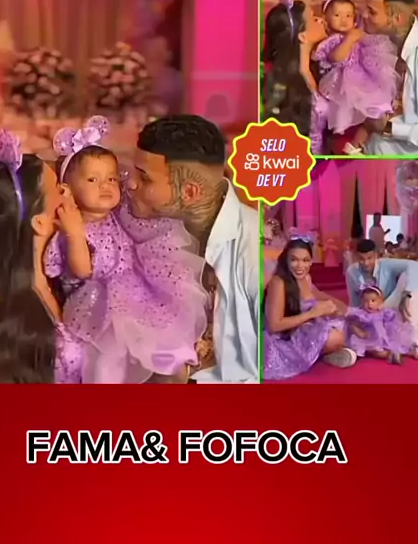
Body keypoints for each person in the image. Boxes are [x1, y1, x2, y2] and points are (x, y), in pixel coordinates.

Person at [44, 116, 207, 384]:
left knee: (160, 322)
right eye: (93, 179)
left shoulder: (118, 215)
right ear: (67, 189)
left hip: (132, 289)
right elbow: (83, 270)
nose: (106, 186)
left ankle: (177, 361)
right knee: (109, 358)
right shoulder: (72, 228)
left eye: (111, 178)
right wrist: (74, 234)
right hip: (97, 302)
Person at [128, 114, 259, 383]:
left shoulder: (250, 247)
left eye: (145, 178)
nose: (130, 183)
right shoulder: (134, 228)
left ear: (189, 193)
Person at [0, 130, 85, 383]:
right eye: (58, 189)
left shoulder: (62, 276)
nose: (67, 191)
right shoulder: (4, 315)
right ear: (40, 222)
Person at [312, 0, 398, 154]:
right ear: (326, 19)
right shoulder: (333, 40)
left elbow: (372, 44)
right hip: (342, 80)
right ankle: (348, 144)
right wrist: (350, 39)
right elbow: (336, 58)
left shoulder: (356, 32)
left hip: (362, 75)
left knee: (376, 103)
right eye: (337, 15)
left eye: (348, 15)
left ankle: (358, 142)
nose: (344, 20)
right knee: (349, 111)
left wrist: (360, 37)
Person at [263, 238, 355, 381]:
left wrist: (339, 305)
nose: (300, 266)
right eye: (294, 260)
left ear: (311, 261)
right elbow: (274, 326)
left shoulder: (306, 278)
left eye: (305, 260)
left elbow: (316, 294)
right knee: (335, 338)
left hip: (303, 326)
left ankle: (325, 354)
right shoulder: (279, 282)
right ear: (286, 260)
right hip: (284, 338)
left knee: (347, 323)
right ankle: (324, 355)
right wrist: (312, 313)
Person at [262, 0, 329, 153]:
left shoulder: (322, 66)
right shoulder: (283, 84)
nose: (321, 20)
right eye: (313, 19)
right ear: (302, 36)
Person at [362, 0, 418, 155]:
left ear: (397, 18)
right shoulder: (380, 45)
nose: (364, 15)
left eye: (372, 12)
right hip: (373, 150)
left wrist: (387, 127)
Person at [345, 238, 418, 342]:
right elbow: (354, 301)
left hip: (390, 307)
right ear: (356, 256)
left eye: (369, 258)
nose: (366, 263)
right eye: (361, 259)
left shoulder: (386, 264)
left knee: (406, 279)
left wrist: (407, 293)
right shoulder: (351, 272)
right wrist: (355, 320)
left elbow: (415, 265)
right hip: (369, 314)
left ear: (376, 255)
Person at [346, 284, 416, 363]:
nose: (369, 304)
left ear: (380, 302)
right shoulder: (362, 315)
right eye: (365, 301)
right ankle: (391, 356)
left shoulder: (382, 313)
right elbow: (353, 324)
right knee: (377, 351)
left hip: (382, 338)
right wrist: (360, 332)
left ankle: (409, 352)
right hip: (369, 339)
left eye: (373, 301)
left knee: (395, 346)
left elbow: (392, 318)